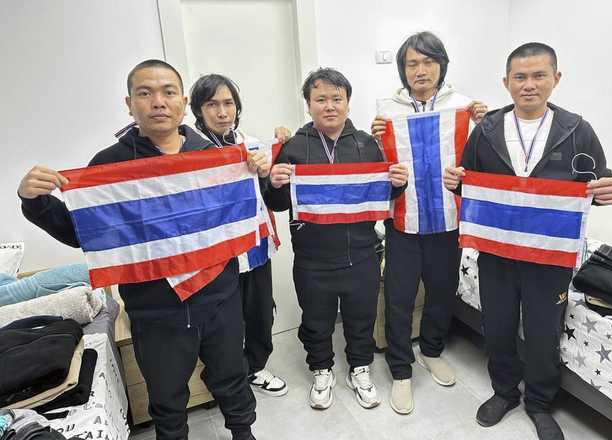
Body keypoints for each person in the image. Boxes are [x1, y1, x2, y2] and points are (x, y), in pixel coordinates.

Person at [17, 60, 258, 440]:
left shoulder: (211, 152)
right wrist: (35, 202)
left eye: (168, 92)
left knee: (232, 375)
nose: (158, 102)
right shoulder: (109, 164)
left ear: (183, 101)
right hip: (155, 308)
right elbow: (85, 235)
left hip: (220, 294)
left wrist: (254, 168)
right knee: (166, 397)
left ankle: (243, 432)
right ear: (129, 103)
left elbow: (237, 214)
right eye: (145, 93)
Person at [443, 43, 612, 440]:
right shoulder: (487, 130)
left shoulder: (577, 130)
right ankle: (504, 392)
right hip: (496, 253)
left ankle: (540, 402)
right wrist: (455, 183)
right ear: (506, 83)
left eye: (539, 75)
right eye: (520, 77)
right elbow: (470, 186)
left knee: (545, 331)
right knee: (498, 326)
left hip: (550, 256)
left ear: (555, 79)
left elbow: (602, 181)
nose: (529, 84)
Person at [265, 68, 408, 410]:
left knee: (361, 318)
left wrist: (398, 183)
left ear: (347, 102)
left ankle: (359, 368)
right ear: (308, 104)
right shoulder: (294, 147)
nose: (329, 106)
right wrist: (274, 183)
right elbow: (279, 204)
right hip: (313, 259)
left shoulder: (368, 145)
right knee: (316, 320)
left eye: (336, 99)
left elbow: (383, 196)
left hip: (361, 254)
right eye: (320, 99)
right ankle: (321, 368)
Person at [370, 31, 488, 415]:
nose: (420, 71)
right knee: (400, 299)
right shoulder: (386, 110)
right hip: (403, 221)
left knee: (442, 291)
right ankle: (401, 370)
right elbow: (375, 167)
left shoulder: (465, 107)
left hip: (448, 219)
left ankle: (433, 350)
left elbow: (487, 159)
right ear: (403, 70)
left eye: (428, 62)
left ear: (441, 65)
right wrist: (376, 142)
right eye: (412, 64)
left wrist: (485, 124)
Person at [189, 73, 289, 397]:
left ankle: (257, 367)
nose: (222, 112)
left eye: (228, 103)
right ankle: (228, 380)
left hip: (255, 246)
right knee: (223, 324)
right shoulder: (190, 152)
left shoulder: (253, 143)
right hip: (217, 255)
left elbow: (274, 197)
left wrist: (268, 171)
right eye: (212, 104)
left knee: (260, 312)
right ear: (199, 110)